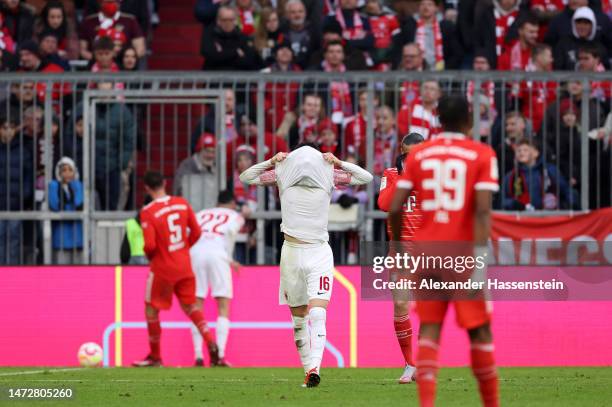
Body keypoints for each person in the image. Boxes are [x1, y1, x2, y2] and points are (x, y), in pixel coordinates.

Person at [389, 96, 500, 406]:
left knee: (429, 331)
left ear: (438, 121)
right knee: (479, 333)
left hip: (426, 254)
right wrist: (479, 262)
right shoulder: (482, 153)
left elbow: (395, 206)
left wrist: (399, 249)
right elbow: (481, 213)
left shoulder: (421, 155)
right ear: (468, 122)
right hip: (462, 254)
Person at [239, 144, 373, 387]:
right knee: (299, 319)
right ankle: (308, 370)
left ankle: (315, 368)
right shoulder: (281, 175)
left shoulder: (329, 175)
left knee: (318, 312)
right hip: (291, 253)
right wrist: (270, 160)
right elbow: (246, 176)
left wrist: (339, 162)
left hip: (319, 251)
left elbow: (366, 177)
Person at [133, 171, 218, 367]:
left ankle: (155, 357)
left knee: (151, 310)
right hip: (185, 265)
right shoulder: (182, 203)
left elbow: (150, 246)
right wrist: (183, 249)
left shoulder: (148, 212)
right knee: (191, 307)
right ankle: (211, 342)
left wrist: (153, 256)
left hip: (163, 268)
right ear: (164, 183)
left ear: (146, 188)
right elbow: (196, 232)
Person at [377, 132, 424, 384]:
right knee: (401, 306)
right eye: (410, 154)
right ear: (403, 152)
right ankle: (410, 364)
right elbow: (384, 203)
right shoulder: (390, 174)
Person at [190, 190, 245, 367]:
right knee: (223, 304)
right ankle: (219, 355)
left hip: (196, 254)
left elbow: (188, 230)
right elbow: (229, 231)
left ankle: (198, 355)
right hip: (218, 254)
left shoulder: (202, 213)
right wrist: (229, 259)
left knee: (197, 304)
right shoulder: (235, 215)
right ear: (232, 204)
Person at [502, 138, 580, 210]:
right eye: (519, 150)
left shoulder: (550, 170)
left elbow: (566, 190)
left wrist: (566, 205)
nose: (521, 153)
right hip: (522, 219)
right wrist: (514, 204)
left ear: (536, 153)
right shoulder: (511, 176)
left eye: (525, 150)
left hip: (549, 217)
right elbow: (503, 199)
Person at [79, 0, 145, 61]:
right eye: (108, 2)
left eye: (114, 2)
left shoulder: (130, 21)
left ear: (119, 4)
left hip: (123, 69)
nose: (111, 5)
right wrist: (100, 60)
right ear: (100, 3)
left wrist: (127, 60)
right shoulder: (89, 22)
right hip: (96, 69)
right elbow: (82, 50)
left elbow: (140, 49)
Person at [200, 6, 260, 71]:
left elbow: (248, 61)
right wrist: (236, 52)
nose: (227, 23)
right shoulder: (209, 34)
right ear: (218, 21)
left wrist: (221, 55)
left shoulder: (243, 37)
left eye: (231, 20)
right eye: (224, 20)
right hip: (215, 79)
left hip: (238, 79)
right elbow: (209, 55)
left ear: (235, 21)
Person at [48, 157, 83, 265]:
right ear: (58, 173)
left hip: (77, 238)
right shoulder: (54, 186)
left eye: (70, 170)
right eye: (64, 170)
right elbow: (54, 206)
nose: (67, 173)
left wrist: (76, 185)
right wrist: (53, 186)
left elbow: (79, 204)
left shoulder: (78, 186)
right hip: (61, 238)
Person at [553, 6, 610, 70]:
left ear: (592, 25)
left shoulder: (599, 47)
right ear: (574, 24)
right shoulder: (563, 44)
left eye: (586, 23)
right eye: (579, 22)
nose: (582, 26)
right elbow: (558, 68)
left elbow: (607, 70)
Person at [173, 133, 218, 212]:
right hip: (191, 213)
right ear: (199, 150)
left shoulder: (216, 167)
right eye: (207, 151)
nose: (210, 155)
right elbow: (178, 191)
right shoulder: (187, 166)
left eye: (213, 152)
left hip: (210, 214)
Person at [280, 0, 320, 69]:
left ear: (305, 13)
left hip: (310, 73)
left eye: (300, 11)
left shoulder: (314, 31)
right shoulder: (281, 31)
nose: (297, 15)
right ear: (287, 15)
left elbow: (318, 53)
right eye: (293, 12)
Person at [120, 196, 152, 265]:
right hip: (151, 260)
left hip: (133, 262)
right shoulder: (157, 223)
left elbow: (125, 251)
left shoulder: (131, 223)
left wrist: (124, 263)